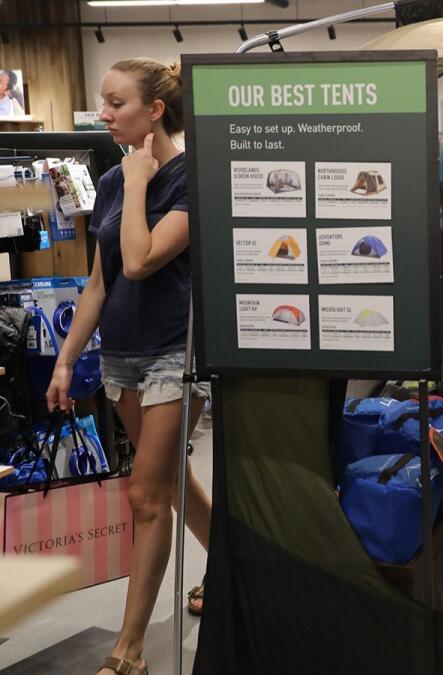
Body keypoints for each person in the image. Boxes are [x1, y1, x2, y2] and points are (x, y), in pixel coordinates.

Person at [45, 57, 210, 675]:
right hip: (122, 355)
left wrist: (140, 180)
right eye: (103, 103)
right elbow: (100, 282)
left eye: (116, 104)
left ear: (155, 111)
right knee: (168, 484)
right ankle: (228, 568)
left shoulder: (190, 178)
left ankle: (129, 649)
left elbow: (141, 260)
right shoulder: (113, 180)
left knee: (145, 495)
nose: (104, 114)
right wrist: (67, 360)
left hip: (176, 353)